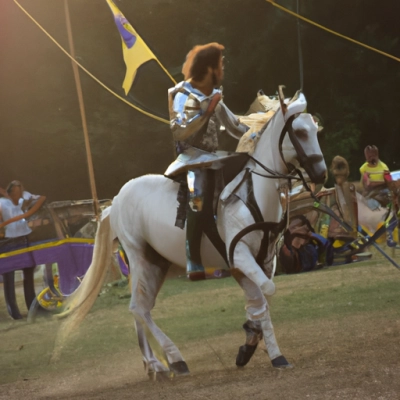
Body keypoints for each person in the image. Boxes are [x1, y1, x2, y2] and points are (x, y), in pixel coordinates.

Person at [165, 43, 249, 276]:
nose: (223, 70)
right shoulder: (182, 94)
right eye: (220, 65)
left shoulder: (214, 96)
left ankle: (227, 255)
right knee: (199, 199)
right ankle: (193, 259)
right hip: (191, 159)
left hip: (212, 158)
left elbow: (235, 125)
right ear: (210, 69)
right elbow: (180, 131)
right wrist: (207, 112)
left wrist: (260, 130)